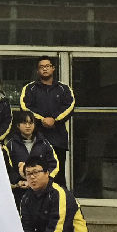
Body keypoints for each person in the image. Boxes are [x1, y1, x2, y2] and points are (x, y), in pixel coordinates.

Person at [19, 56, 75, 187]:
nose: (45, 69)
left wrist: (54, 119)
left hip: (58, 139)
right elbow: (25, 107)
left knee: (58, 175)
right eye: (41, 67)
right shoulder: (30, 88)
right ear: (37, 70)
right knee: (35, 174)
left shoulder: (63, 88)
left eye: (47, 66)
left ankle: (60, 199)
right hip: (36, 139)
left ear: (53, 68)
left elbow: (70, 105)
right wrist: (42, 119)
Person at [3, 109, 60, 208]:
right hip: (20, 191)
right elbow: (7, 168)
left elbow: (54, 164)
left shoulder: (44, 143)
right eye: (24, 123)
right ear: (18, 125)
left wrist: (44, 180)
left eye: (30, 123)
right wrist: (18, 182)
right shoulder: (10, 145)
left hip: (41, 190)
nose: (28, 126)